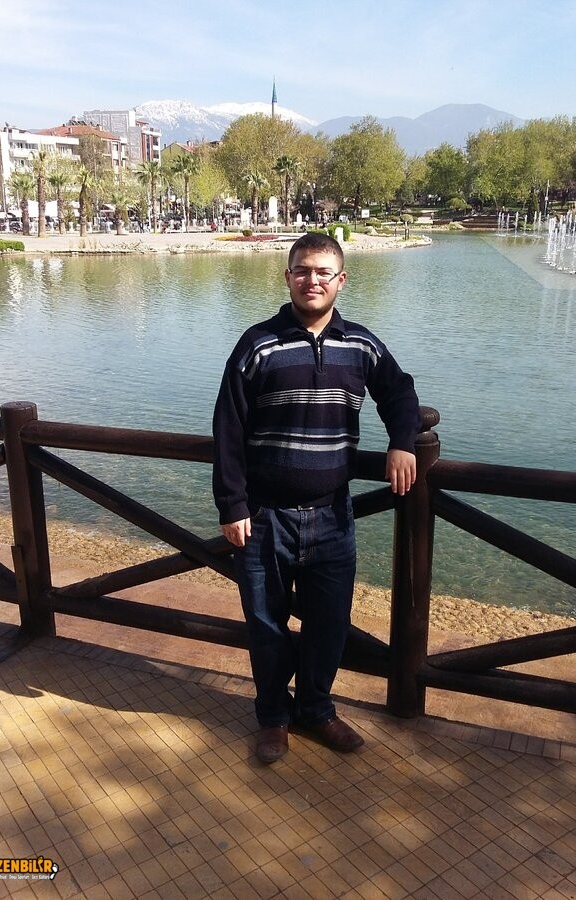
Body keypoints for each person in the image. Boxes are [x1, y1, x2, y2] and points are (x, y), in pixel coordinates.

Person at [212, 233, 421, 764]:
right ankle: (272, 717)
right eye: (303, 270)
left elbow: (399, 391)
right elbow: (228, 427)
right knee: (266, 624)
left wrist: (401, 442)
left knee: (329, 624)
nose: (313, 281)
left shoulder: (362, 345)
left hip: (333, 516)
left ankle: (315, 709)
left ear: (341, 280)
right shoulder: (258, 344)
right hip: (264, 516)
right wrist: (232, 504)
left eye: (324, 272)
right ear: (288, 277)